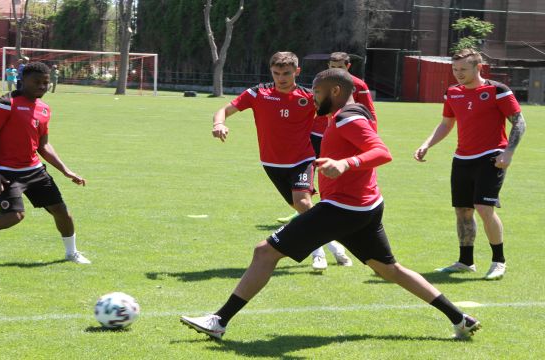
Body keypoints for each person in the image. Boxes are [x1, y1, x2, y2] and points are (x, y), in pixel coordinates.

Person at [181, 68, 481, 341]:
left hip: (344, 209)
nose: (313, 97)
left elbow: (381, 152)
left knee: (265, 251)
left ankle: (219, 321)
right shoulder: (347, 113)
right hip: (365, 206)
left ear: (334, 91)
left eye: (317, 92)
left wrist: (346, 163)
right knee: (389, 269)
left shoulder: (347, 117)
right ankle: (460, 318)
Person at [210, 51, 350, 271]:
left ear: (297, 71)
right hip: (272, 164)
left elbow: (335, 116)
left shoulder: (309, 96)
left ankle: (318, 254)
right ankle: (335, 247)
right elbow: (223, 110)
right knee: (304, 210)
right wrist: (219, 124)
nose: (281, 78)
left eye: (286, 73)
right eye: (276, 73)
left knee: (303, 203)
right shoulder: (258, 94)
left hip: (302, 159)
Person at [0, 62, 91, 265]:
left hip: (34, 170)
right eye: (37, 82)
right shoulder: (5, 103)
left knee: (62, 211)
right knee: (14, 216)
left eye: (45, 83)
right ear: (23, 81)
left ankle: (71, 253)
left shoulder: (44, 109)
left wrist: (67, 171)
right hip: (5, 172)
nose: (42, 86)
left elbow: (43, 146)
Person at [414, 48, 525, 280]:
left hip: (491, 157)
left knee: (484, 208)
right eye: (455, 69)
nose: (458, 74)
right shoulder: (452, 93)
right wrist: (426, 144)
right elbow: (446, 124)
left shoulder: (497, 91)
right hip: (462, 159)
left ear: (478, 67)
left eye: (463, 69)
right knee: (463, 211)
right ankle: (466, 262)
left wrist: (508, 153)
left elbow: (519, 122)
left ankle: (498, 261)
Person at [278, 51, 379, 268]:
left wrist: (355, 156)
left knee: (266, 249)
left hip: (344, 139)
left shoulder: (356, 91)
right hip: (318, 137)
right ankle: (327, 237)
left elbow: (371, 120)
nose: (335, 68)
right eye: (332, 64)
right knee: (307, 199)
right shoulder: (323, 83)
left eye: (339, 65)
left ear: (348, 66)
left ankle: (320, 250)